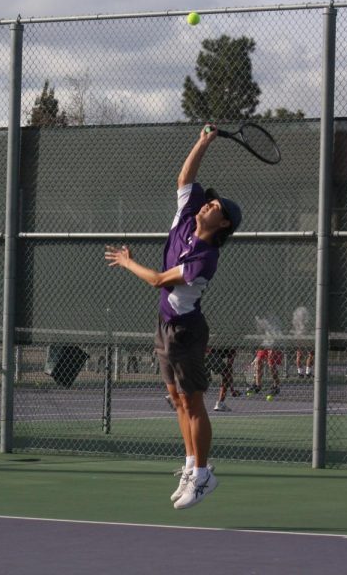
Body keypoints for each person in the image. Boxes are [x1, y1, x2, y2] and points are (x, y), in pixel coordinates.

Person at [105, 125, 241, 510]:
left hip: (186, 331)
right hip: (165, 326)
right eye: (208, 202)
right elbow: (185, 178)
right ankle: (188, 465)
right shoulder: (186, 216)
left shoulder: (205, 257)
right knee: (176, 400)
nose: (206, 205)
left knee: (194, 403)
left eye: (214, 207)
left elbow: (160, 281)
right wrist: (203, 141)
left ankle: (203, 475)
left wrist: (128, 262)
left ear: (224, 224)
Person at [208, 347, 239, 411]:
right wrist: (232, 390)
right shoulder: (233, 348)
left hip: (200, 354)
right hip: (208, 355)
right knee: (226, 374)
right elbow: (228, 371)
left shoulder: (230, 346)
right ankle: (220, 403)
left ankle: (191, 401)